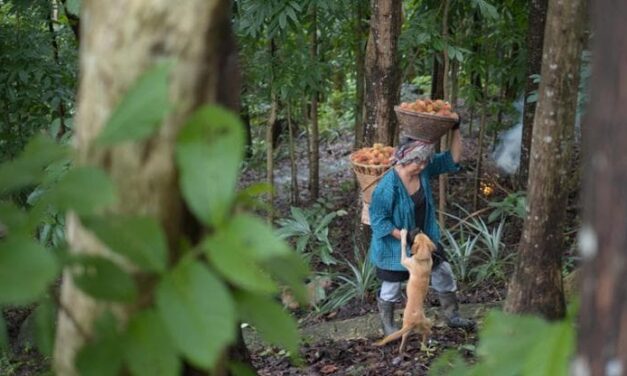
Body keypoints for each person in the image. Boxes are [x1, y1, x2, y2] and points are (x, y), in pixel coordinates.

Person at [368, 119, 475, 335]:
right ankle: (388, 325)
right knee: (391, 287)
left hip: (424, 240)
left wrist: (455, 130)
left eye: (426, 162)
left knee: (443, 273)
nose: (424, 166)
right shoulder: (388, 186)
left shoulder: (422, 171)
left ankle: (452, 315)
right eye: (419, 163)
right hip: (394, 246)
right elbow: (379, 220)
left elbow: (452, 159)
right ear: (406, 159)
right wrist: (405, 237)